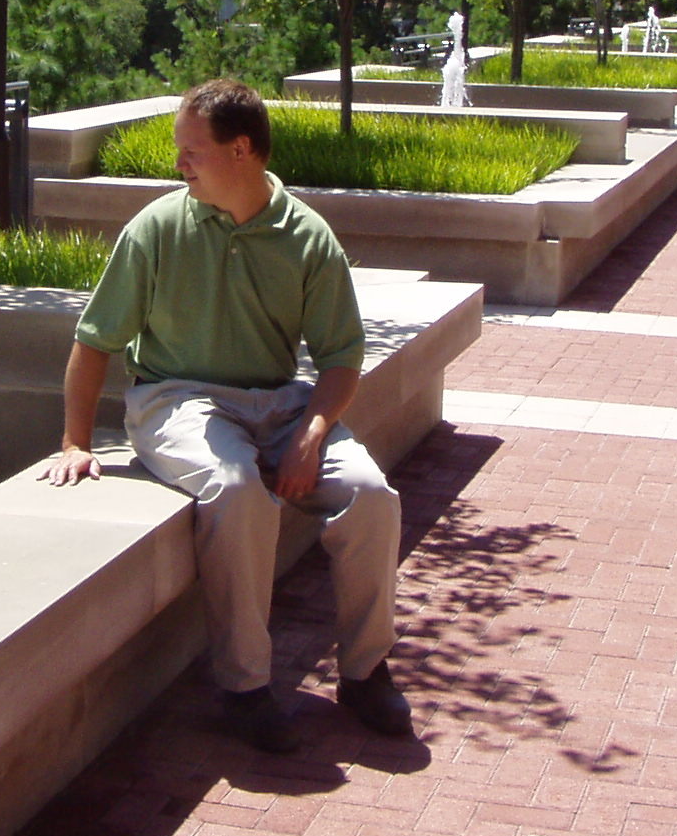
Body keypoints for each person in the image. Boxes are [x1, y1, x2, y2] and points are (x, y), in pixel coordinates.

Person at [45, 79, 412, 752]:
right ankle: (245, 687)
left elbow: (341, 359)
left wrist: (312, 433)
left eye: (192, 151)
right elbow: (94, 341)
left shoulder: (308, 238)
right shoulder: (156, 229)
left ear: (241, 150)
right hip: (173, 399)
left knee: (371, 497)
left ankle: (365, 672)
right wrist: (73, 440)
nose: (178, 164)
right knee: (238, 489)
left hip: (276, 402)